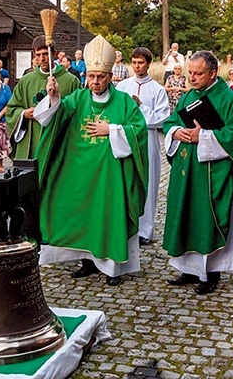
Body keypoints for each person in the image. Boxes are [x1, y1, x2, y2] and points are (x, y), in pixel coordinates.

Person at [35, 35, 149, 286]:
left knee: (110, 216)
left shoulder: (124, 102)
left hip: (111, 174)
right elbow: (53, 118)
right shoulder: (78, 99)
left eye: (100, 77)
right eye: (91, 76)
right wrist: (53, 97)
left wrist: (113, 130)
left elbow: (138, 131)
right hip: (80, 172)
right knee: (84, 217)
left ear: (110, 77)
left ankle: (113, 268)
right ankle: (87, 262)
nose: (95, 82)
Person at [162, 50, 233, 295]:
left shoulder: (230, 100)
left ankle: (211, 273)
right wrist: (176, 132)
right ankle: (189, 269)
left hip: (215, 173)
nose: (192, 78)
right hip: (187, 169)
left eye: (198, 73)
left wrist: (202, 135)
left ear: (213, 73)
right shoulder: (188, 96)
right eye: (190, 73)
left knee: (208, 218)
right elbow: (171, 122)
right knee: (187, 215)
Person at [116, 47, 170, 246]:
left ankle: (145, 230)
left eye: (141, 62)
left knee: (148, 182)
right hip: (124, 138)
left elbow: (162, 118)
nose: (137, 66)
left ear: (148, 63)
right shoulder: (122, 86)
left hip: (147, 139)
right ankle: (124, 224)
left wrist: (141, 107)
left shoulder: (157, 89)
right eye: (134, 62)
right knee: (125, 180)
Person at [6, 35, 80, 159]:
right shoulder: (26, 81)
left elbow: (79, 110)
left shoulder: (71, 81)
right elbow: (12, 109)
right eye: (38, 55)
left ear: (54, 54)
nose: (42, 59)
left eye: (45, 54)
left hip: (60, 138)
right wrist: (24, 114)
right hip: (32, 136)